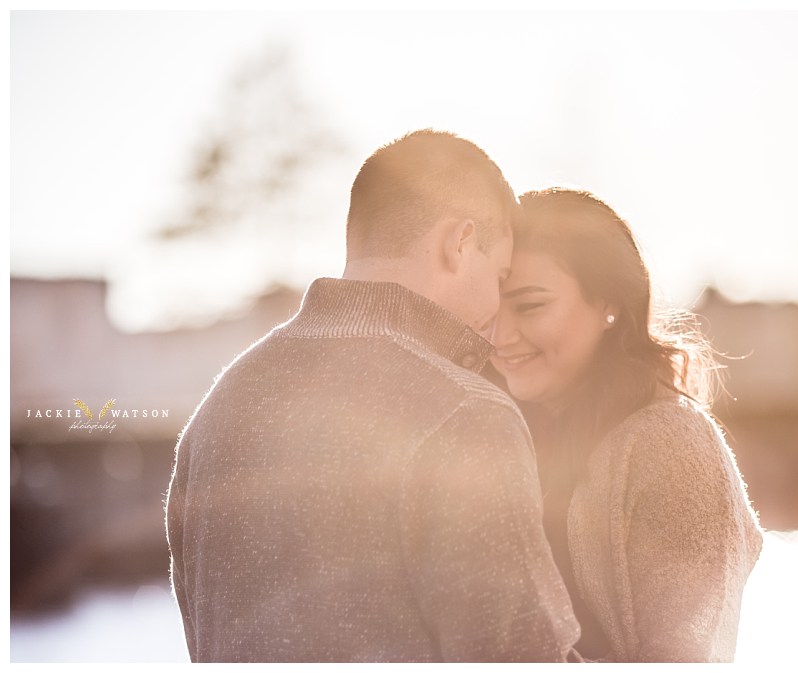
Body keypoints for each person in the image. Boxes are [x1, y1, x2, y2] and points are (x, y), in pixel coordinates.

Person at [164, 130, 580, 662]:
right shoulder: (466, 413)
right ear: (459, 243)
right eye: (499, 274)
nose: (498, 309)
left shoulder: (216, 412)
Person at [487, 187, 763, 662]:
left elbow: (684, 658)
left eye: (530, 306)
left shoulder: (673, 445)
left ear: (609, 304)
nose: (500, 334)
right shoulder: (493, 427)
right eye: (491, 307)